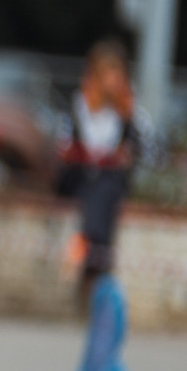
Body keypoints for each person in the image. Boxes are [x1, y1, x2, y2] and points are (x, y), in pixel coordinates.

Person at [56, 39, 145, 303]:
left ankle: (87, 248)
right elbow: (66, 148)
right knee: (98, 190)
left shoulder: (128, 112)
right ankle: (99, 263)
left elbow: (139, 149)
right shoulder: (78, 105)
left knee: (104, 189)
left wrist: (122, 155)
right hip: (80, 177)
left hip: (108, 180)